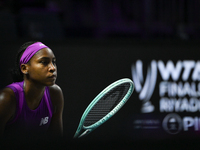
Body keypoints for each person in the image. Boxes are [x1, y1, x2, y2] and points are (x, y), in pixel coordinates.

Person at [0, 41, 64, 140]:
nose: (52, 68)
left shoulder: (55, 94)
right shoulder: (7, 99)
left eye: (54, 62)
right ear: (25, 68)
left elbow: (56, 142)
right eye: (44, 62)